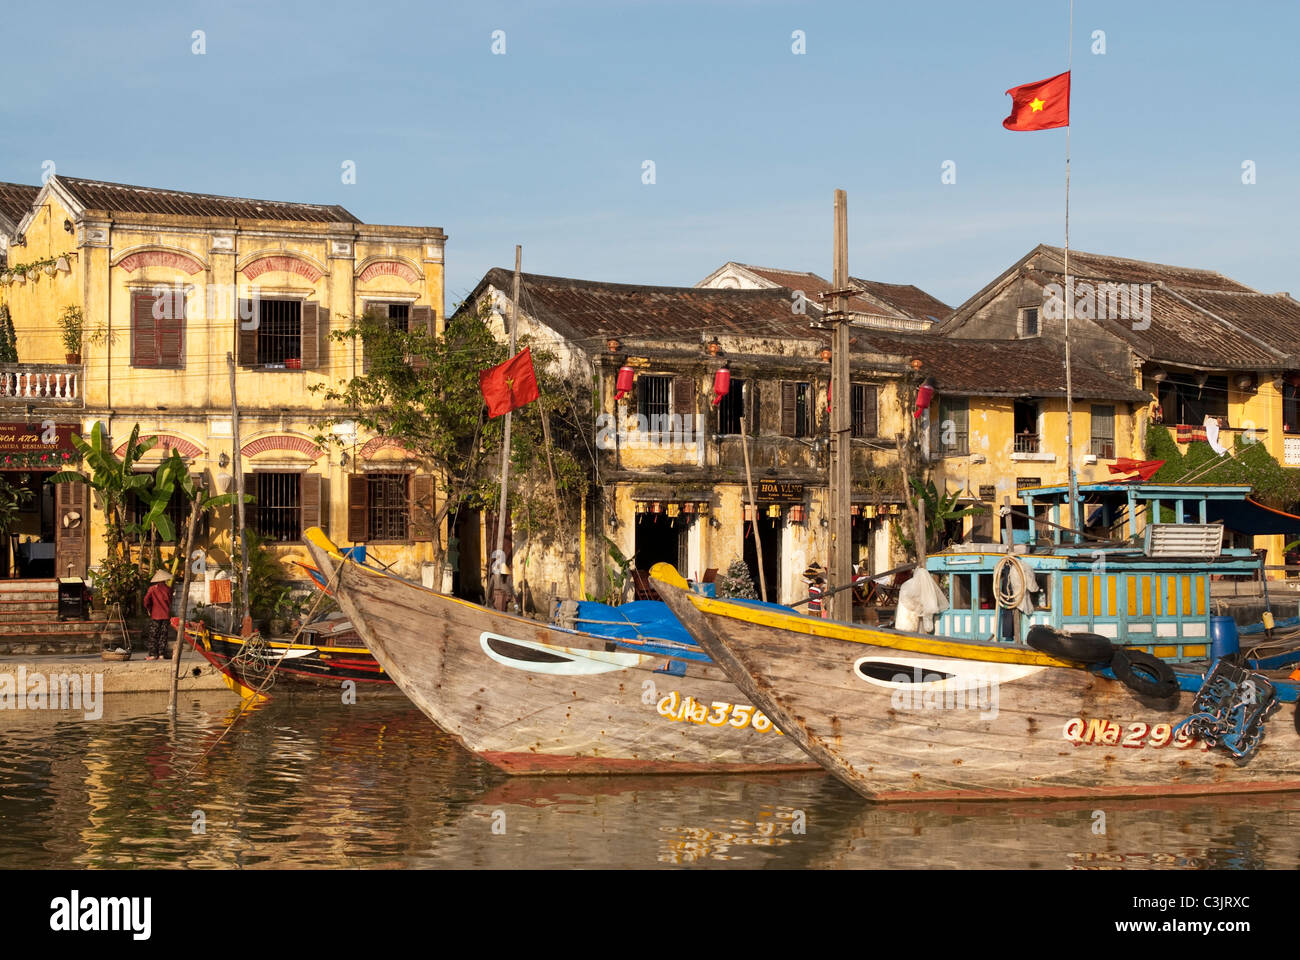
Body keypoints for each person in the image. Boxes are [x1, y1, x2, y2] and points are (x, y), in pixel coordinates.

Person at [143, 570, 174, 660]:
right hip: (166, 615)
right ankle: (161, 654)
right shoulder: (168, 589)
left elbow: (146, 601)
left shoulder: (152, 589)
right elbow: (170, 601)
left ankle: (153, 654)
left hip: (155, 614)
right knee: (163, 635)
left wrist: (149, 608)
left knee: (153, 635)